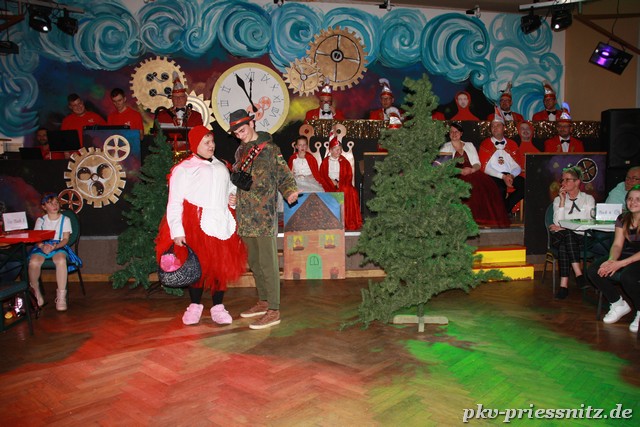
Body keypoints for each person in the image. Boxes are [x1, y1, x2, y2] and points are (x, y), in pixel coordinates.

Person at [155, 125, 247, 326]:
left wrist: (233, 197)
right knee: (197, 266)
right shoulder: (184, 169)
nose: (211, 145)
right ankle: (195, 305)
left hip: (221, 222)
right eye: (206, 142)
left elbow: (230, 188)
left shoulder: (221, 165)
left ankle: (218, 306)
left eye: (212, 141)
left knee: (219, 267)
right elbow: (175, 202)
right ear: (195, 144)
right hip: (196, 225)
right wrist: (177, 231)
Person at [230, 109, 298, 330]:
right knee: (255, 262)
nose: (240, 135)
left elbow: (284, 174)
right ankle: (263, 301)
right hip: (245, 214)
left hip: (264, 215)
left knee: (268, 263)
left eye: (242, 130)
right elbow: (239, 177)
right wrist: (234, 194)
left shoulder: (270, 149)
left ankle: (274, 309)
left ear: (252, 124)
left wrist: (290, 192)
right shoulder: (240, 151)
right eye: (236, 133)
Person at [587, 185, 640, 332]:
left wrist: (620, 264)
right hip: (626, 254)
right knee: (594, 269)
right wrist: (611, 260)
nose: (633, 202)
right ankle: (618, 304)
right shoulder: (623, 218)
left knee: (628, 277)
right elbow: (617, 245)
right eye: (630, 198)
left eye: (638, 199)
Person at [439, 122, 510, 227]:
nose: (454, 134)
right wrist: (458, 171)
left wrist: (472, 170)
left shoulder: (469, 145)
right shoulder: (445, 147)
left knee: (485, 187)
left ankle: (481, 219)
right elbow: (442, 167)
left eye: (456, 132)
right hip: (454, 173)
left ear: (461, 133)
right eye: (451, 132)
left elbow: (477, 163)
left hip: (471, 172)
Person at [27, 193, 82, 311]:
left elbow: (65, 239)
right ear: (44, 207)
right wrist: (42, 246)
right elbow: (37, 239)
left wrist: (55, 246)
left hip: (58, 245)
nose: (54, 205)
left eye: (56, 203)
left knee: (61, 260)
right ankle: (36, 292)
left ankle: (61, 296)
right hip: (43, 245)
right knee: (33, 262)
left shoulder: (65, 219)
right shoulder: (40, 220)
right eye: (50, 203)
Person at [549, 166, 595, 299]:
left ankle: (563, 286)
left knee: (565, 242)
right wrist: (563, 202)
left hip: (582, 238)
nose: (563, 183)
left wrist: (566, 227)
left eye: (567, 180)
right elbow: (558, 222)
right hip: (562, 236)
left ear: (577, 182)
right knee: (568, 236)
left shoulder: (588, 199)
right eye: (562, 180)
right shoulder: (558, 200)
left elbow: (588, 222)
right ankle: (579, 274)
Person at [478, 117, 525, 214]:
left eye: (498, 125)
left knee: (526, 186)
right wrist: (503, 177)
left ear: (504, 128)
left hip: (510, 174)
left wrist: (511, 176)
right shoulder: (485, 144)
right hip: (493, 175)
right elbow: (485, 167)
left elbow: (517, 165)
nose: (495, 128)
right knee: (500, 188)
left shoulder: (512, 144)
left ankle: (505, 208)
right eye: (493, 126)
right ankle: (501, 212)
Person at [319, 137, 363, 231]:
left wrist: (341, 183)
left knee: (350, 191)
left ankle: (346, 221)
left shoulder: (344, 161)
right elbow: (322, 176)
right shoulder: (325, 162)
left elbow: (348, 175)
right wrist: (331, 182)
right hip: (329, 184)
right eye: (337, 150)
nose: (339, 152)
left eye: (340, 149)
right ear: (331, 150)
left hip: (342, 183)